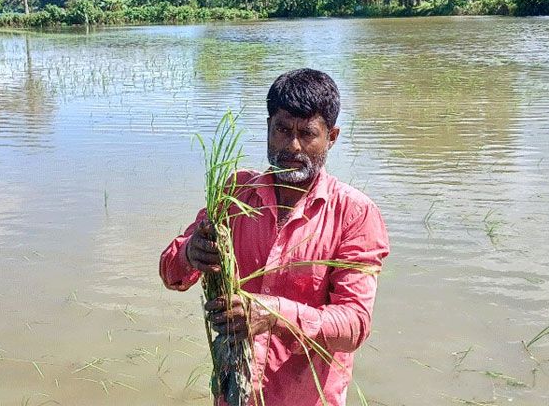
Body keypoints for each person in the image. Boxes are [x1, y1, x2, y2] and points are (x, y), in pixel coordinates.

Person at [159, 68, 389, 406]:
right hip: (234, 393)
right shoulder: (234, 194)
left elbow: (354, 325)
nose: (292, 145)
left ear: (332, 136)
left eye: (307, 133)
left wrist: (274, 314)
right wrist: (190, 255)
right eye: (282, 129)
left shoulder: (353, 214)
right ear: (268, 127)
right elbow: (170, 273)